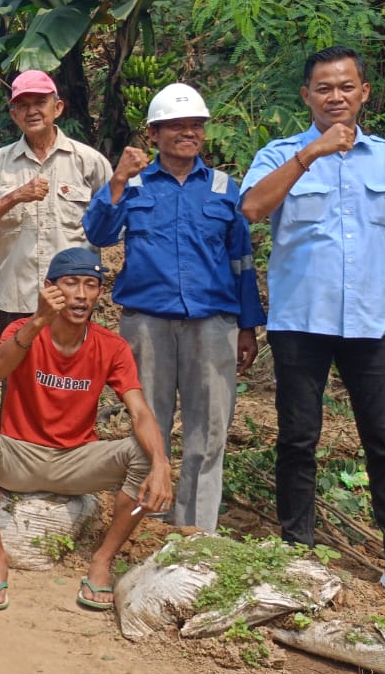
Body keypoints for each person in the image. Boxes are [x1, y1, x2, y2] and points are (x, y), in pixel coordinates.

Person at [240, 47, 385, 614]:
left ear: (364, 92)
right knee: (298, 440)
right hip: (301, 323)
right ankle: (297, 556)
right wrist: (311, 154)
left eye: (346, 86)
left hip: (373, 325)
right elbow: (252, 208)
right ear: (306, 95)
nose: (336, 96)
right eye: (324, 88)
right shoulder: (280, 154)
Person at [82, 84, 263, 532]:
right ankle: (147, 526)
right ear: (154, 133)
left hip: (212, 324)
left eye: (195, 125)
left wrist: (248, 326)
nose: (188, 133)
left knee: (210, 429)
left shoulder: (223, 188)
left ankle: (196, 531)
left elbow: (242, 261)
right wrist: (117, 180)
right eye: (176, 126)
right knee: (148, 425)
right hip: (147, 324)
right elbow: (99, 233)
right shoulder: (134, 185)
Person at [0, 249, 174, 613]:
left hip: (75, 462)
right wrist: (38, 321)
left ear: (99, 293)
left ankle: (102, 560)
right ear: (50, 288)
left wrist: (161, 463)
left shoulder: (112, 346)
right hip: (20, 455)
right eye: (71, 283)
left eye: (91, 285)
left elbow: (139, 411)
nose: (81, 295)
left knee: (145, 454)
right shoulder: (22, 330)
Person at [0, 70, 112, 335]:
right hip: (18, 300)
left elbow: (113, 222)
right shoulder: (0, 162)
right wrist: (15, 196)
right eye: (23, 105)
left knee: (71, 363)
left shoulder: (88, 161)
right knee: (18, 362)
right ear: (14, 115)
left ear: (58, 108)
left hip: (73, 301)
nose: (32, 111)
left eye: (40, 102)